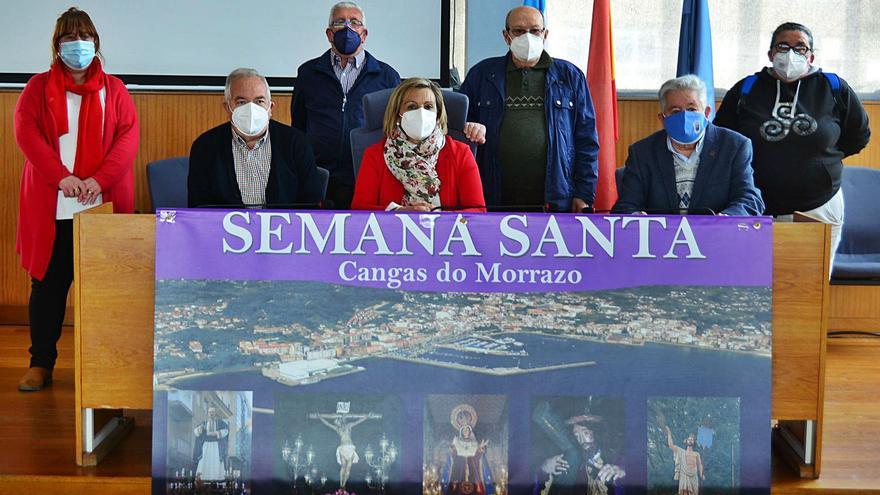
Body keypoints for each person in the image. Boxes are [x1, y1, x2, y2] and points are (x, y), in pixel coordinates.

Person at [13, 8, 138, 391]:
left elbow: (127, 139)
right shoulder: (37, 87)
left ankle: (107, 365)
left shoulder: (114, 89)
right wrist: (62, 178)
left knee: (106, 289)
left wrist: (98, 181)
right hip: (54, 202)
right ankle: (41, 363)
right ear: (57, 46)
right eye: (69, 38)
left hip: (103, 203)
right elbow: (27, 134)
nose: (78, 45)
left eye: (84, 36)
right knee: (47, 286)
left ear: (95, 42)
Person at [714, 22, 870, 257]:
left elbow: (858, 136)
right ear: (770, 53)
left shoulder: (834, 87)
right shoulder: (746, 89)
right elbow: (723, 140)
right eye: (783, 46)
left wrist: (822, 159)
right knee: (758, 287)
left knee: (810, 288)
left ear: (811, 56)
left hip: (819, 206)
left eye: (800, 48)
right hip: (756, 207)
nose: (791, 53)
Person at [459, 6, 599, 212]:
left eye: (535, 31)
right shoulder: (482, 75)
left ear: (545, 34)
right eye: (519, 31)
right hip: (492, 194)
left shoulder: (570, 76)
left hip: (555, 196)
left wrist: (584, 193)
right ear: (506, 36)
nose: (528, 37)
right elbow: (457, 130)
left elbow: (586, 140)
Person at [291, 1, 401, 210]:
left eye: (354, 22)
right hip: (318, 173)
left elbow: (394, 129)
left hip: (366, 173)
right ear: (330, 33)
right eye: (340, 22)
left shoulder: (387, 76)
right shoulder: (308, 73)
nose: (347, 28)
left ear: (364, 34)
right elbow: (299, 124)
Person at [613, 75, 764, 216]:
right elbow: (626, 206)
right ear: (662, 118)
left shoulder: (734, 146)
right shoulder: (642, 152)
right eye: (675, 111)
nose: (684, 116)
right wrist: (635, 217)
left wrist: (725, 219)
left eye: (692, 109)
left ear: (706, 113)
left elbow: (749, 199)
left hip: (716, 238)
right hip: (661, 240)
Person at [188, 68, 321, 208]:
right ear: (227, 108)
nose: (251, 109)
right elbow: (198, 209)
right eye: (241, 102)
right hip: (223, 229)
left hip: (284, 229)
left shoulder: (296, 143)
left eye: (259, 101)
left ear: (270, 108)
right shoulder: (205, 147)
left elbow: (311, 206)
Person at [351, 78, 487, 212]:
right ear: (398, 115)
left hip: (446, 232)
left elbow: (478, 211)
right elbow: (360, 210)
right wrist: (400, 212)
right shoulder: (374, 154)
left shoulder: (460, 153)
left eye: (428, 107)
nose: (421, 113)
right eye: (412, 107)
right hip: (391, 232)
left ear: (438, 115)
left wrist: (441, 217)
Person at [534, 403, 625, 495]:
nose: (581, 441)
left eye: (585, 433)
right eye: (576, 436)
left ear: (596, 432)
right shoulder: (573, 462)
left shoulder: (613, 456)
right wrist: (544, 467)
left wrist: (622, 472)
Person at [310, 411, 381, 488]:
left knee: (348, 467)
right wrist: (320, 417)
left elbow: (358, 421)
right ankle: (341, 484)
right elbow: (327, 424)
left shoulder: (349, 426)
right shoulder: (337, 429)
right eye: (337, 422)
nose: (338, 422)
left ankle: (344, 484)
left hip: (350, 447)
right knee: (343, 466)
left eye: (338, 421)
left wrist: (367, 416)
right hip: (343, 448)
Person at [442, 405, 494, 495]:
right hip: (458, 469)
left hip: (473, 470)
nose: (466, 432)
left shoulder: (474, 443)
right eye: (464, 430)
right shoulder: (457, 441)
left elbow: (477, 457)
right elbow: (453, 455)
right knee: (456, 489)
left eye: (467, 430)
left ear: (470, 432)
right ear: (461, 432)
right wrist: (452, 449)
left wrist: (480, 449)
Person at [193, 406, 229, 481]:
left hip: (217, 447)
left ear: (215, 413)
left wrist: (216, 433)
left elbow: (226, 431)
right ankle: (202, 482)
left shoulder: (220, 423)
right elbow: (196, 432)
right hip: (206, 446)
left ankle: (216, 482)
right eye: (210, 412)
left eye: (213, 412)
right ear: (208, 413)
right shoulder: (204, 423)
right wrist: (200, 429)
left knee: (216, 463)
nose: (211, 414)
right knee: (204, 463)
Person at [664, 426, 703, 495]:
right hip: (684, 473)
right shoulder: (681, 451)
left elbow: (700, 464)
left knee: (694, 492)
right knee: (684, 492)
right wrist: (669, 434)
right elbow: (671, 445)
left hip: (694, 474)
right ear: (686, 441)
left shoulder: (696, 454)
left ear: (694, 442)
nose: (690, 440)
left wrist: (701, 474)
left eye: (692, 440)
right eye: (689, 439)